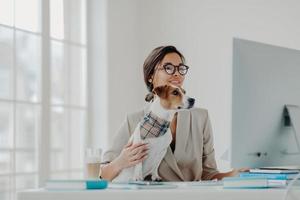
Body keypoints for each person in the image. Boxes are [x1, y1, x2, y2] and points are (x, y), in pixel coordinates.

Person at [99, 45, 245, 181]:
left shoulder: (201, 118)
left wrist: (236, 173)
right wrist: (121, 161)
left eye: (181, 68)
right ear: (150, 76)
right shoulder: (134, 120)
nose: (177, 74)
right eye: (168, 68)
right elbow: (102, 175)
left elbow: (209, 174)